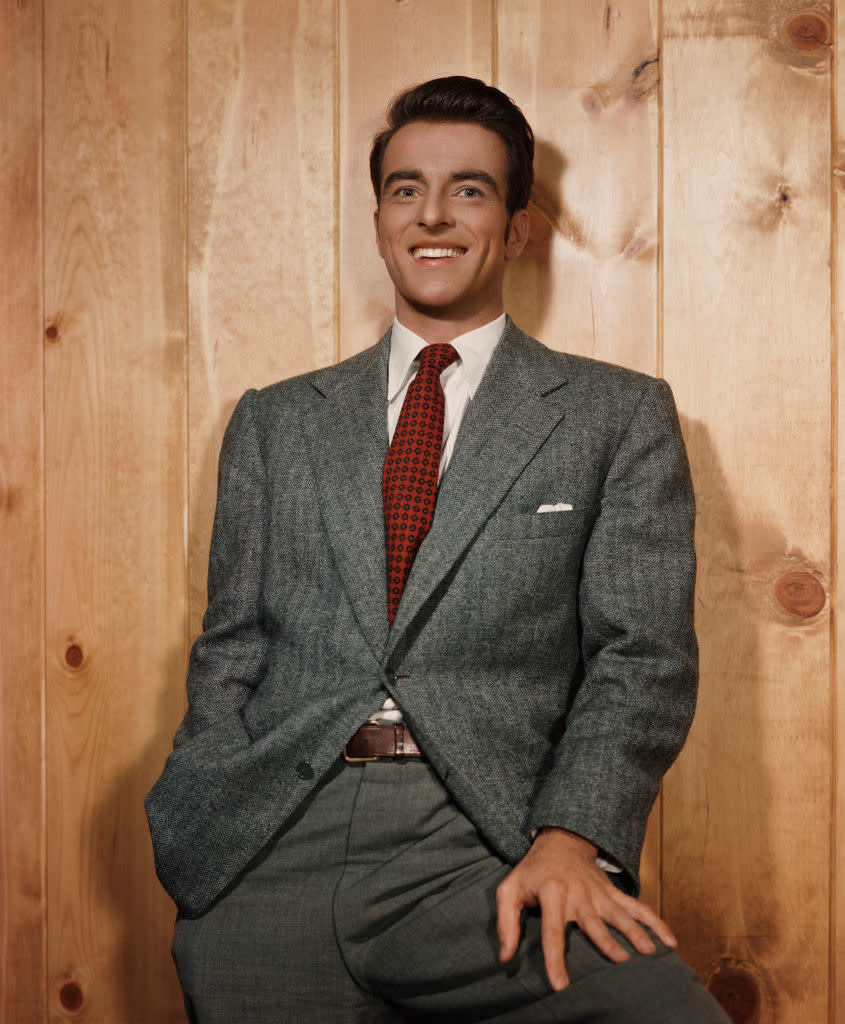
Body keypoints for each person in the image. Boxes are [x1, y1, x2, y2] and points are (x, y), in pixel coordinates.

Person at [146, 76, 729, 1023]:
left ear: (517, 225)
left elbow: (642, 656)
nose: (434, 214)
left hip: (486, 840)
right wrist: (206, 816)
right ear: (379, 218)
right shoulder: (275, 422)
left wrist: (572, 837)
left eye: (469, 189)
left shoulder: (612, 415)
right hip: (269, 843)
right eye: (406, 188)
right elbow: (232, 644)